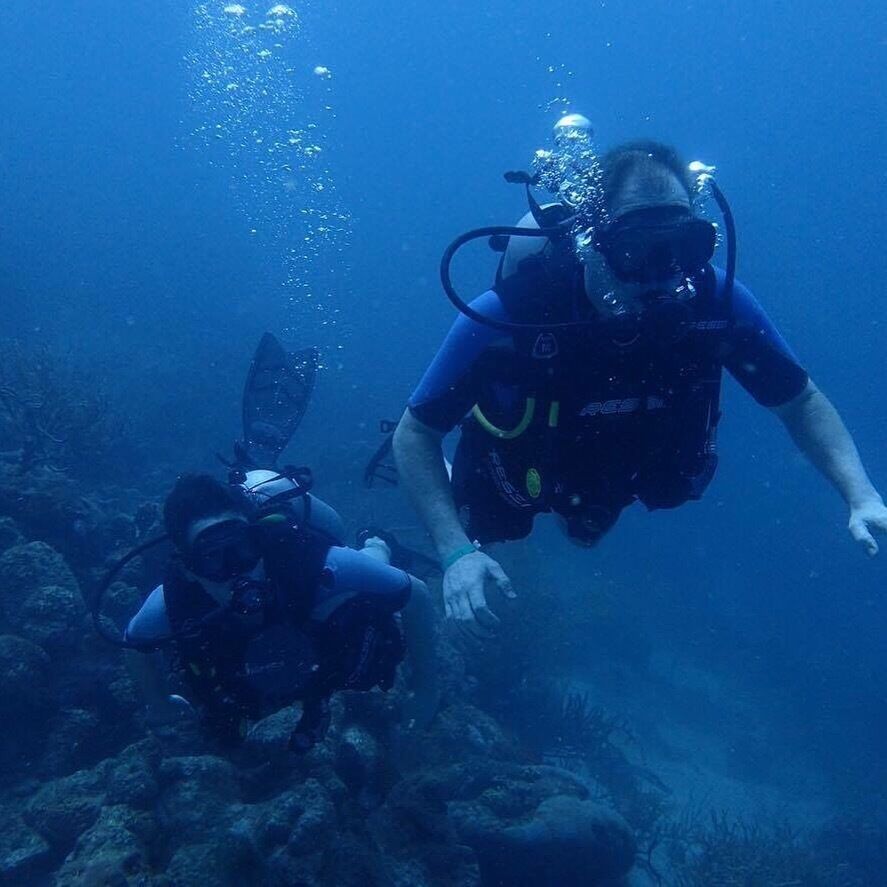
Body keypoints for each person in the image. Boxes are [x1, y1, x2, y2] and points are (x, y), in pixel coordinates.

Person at [393, 124, 887, 632]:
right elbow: (415, 433)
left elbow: (800, 402)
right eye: (636, 250)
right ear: (595, 242)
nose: (664, 274)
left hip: (622, 466)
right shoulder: (514, 313)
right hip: (518, 468)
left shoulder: (718, 304)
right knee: (493, 525)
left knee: (588, 530)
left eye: (684, 247)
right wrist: (455, 552)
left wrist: (860, 493)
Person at [124, 469, 439, 750]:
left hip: (315, 600)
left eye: (242, 549)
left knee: (366, 579)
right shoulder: (174, 602)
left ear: (258, 541)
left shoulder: (312, 563)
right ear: (189, 569)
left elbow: (415, 593)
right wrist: (159, 704)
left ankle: (377, 543)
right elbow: (135, 645)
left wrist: (426, 688)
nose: (237, 570)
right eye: (212, 558)